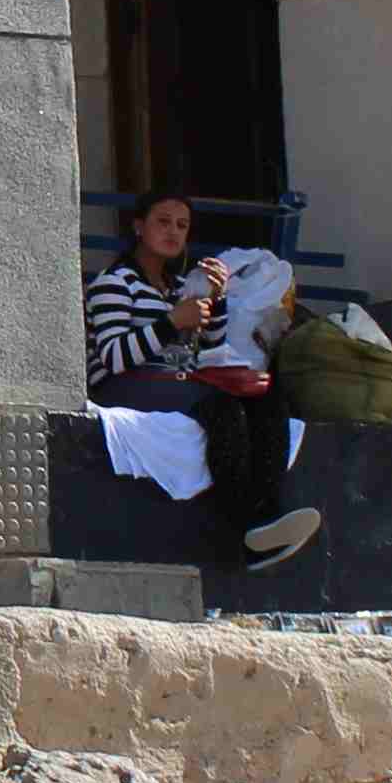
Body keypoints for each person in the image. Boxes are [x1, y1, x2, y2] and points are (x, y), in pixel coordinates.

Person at [85, 188, 327, 571]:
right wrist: (171, 322)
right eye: (162, 222)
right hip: (126, 384)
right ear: (138, 227)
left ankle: (268, 516)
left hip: (179, 380)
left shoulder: (181, 287)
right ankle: (247, 528)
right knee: (222, 408)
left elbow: (206, 350)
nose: (173, 232)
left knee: (268, 402)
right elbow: (114, 358)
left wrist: (216, 303)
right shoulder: (113, 283)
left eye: (182, 225)